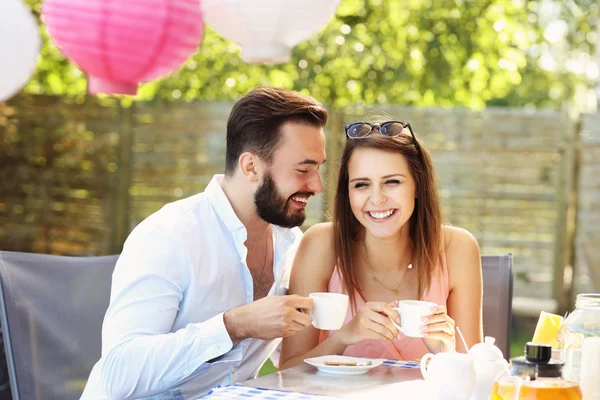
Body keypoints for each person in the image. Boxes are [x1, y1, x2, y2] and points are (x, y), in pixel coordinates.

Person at [81, 87, 328, 400]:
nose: (317, 185)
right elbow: (119, 373)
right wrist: (233, 326)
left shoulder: (291, 244)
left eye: (318, 168)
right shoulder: (169, 236)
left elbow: (292, 362)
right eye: (303, 169)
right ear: (251, 166)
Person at [279, 120, 483, 368]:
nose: (377, 199)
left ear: (417, 185)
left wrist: (446, 353)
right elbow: (288, 370)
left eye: (392, 182)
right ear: (348, 193)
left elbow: (476, 377)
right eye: (361, 185)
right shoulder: (321, 244)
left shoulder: (457, 249)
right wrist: (344, 337)